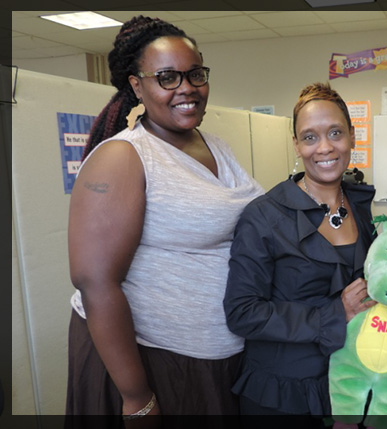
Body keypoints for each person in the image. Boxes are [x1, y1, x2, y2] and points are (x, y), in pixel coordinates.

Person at [66, 15, 263, 418]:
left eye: (195, 74)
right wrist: (138, 398)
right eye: (167, 77)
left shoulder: (215, 144)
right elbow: (95, 282)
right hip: (151, 363)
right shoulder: (123, 157)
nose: (186, 88)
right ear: (137, 85)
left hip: (212, 359)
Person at [224, 82, 377, 426]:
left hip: (347, 384)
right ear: (296, 144)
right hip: (283, 393)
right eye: (310, 137)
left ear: (352, 136)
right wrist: (334, 315)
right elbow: (242, 312)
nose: (324, 147)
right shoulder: (263, 216)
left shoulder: (359, 204)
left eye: (335, 133)